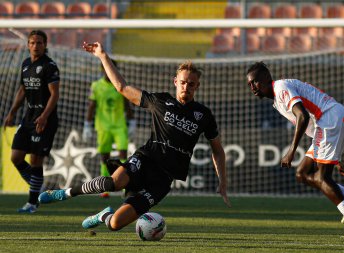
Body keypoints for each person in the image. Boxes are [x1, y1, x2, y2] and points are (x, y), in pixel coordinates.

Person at [39, 42, 230, 231]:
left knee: (115, 224)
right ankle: (65, 193)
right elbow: (122, 87)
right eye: (182, 82)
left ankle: (104, 215)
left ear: (197, 86)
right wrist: (103, 56)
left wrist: (222, 181)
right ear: (175, 82)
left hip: (164, 179)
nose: (185, 87)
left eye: (191, 84)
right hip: (146, 159)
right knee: (114, 182)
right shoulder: (161, 101)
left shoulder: (204, 115)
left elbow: (218, 151)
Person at [245, 61, 344, 238]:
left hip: (329, 118)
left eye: (255, 81)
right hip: (331, 120)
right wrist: (337, 159)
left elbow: (302, 116)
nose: (252, 87)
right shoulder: (278, 99)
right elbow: (310, 126)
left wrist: (291, 150)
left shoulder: (280, 88)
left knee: (322, 177)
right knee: (302, 173)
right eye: (249, 84)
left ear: (266, 77)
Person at [3, 30, 60, 213]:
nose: (36, 46)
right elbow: (22, 90)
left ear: (45, 45)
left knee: (36, 160)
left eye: (40, 43)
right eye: (33, 42)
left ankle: (32, 202)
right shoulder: (26, 64)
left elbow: (55, 94)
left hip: (45, 120)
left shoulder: (50, 66)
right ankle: (39, 189)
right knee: (16, 157)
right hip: (28, 118)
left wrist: (44, 116)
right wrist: (12, 112)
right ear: (28, 45)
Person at [82, 59, 135, 198]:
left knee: (123, 154)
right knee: (104, 156)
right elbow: (91, 106)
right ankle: (104, 187)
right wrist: (87, 125)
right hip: (103, 127)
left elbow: (127, 104)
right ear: (103, 69)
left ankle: (126, 186)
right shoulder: (96, 85)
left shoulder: (120, 85)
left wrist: (132, 121)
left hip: (119, 126)